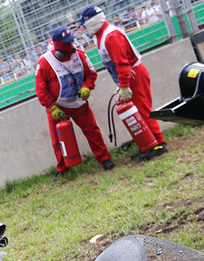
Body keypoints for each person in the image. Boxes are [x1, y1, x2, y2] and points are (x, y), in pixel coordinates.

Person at [79, 5, 167, 161]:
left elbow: (122, 64)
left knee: (143, 109)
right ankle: (148, 144)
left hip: (133, 75)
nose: (85, 29)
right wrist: (122, 85)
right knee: (137, 112)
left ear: (92, 23)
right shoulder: (102, 35)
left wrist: (125, 86)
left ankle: (159, 144)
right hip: (128, 77)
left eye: (85, 26)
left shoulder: (111, 36)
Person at [35, 27, 114, 180]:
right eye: (66, 43)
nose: (70, 45)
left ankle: (105, 159)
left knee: (92, 131)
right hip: (57, 107)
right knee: (57, 139)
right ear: (57, 45)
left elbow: (91, 74)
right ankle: (62, 168)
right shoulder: (45, 62)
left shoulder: (80, 56)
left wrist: (86, 87)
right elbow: (40, 89)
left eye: (71, 41)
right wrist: (52, 107)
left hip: (79, 103)